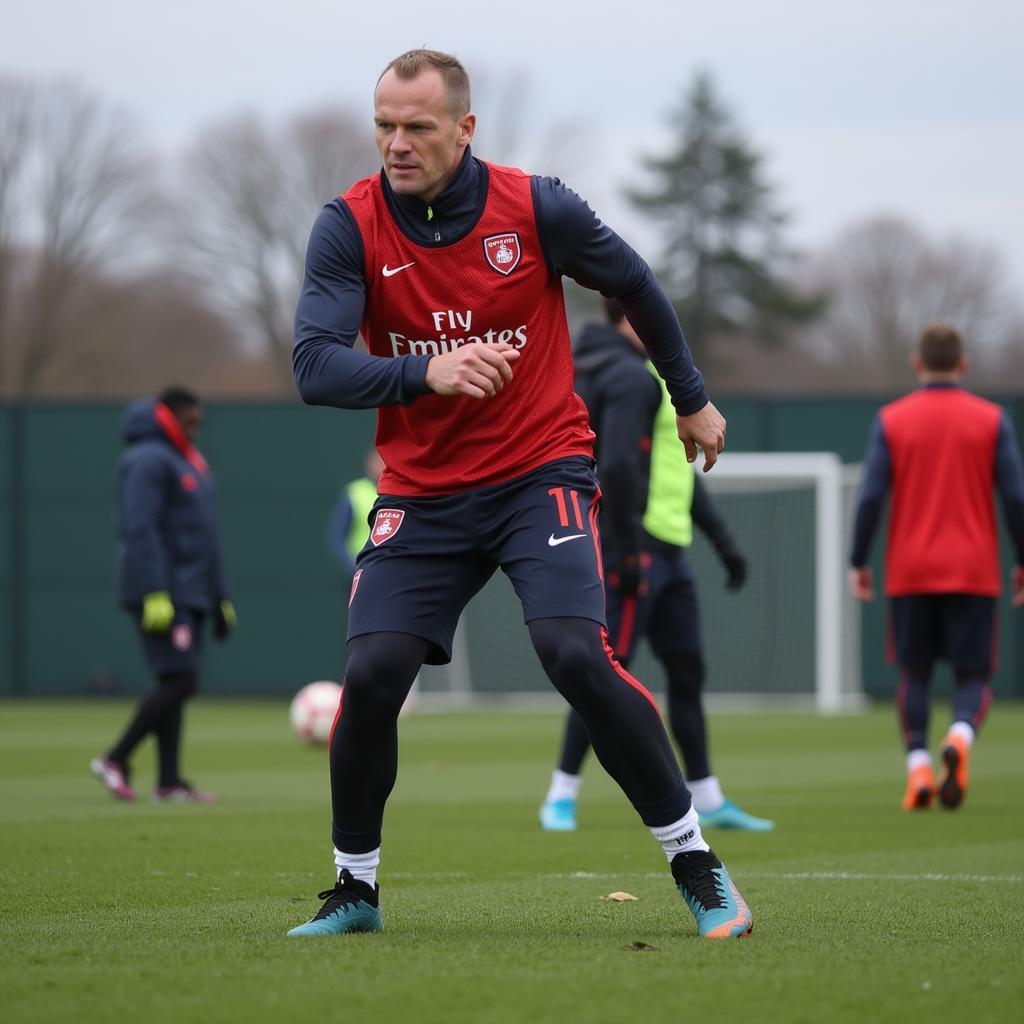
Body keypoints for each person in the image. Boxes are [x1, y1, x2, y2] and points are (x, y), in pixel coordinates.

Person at [288, 48, 751, 941]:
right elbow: (313, 365)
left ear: (465, 129)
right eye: (383, 124)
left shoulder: (538, 206)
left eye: (417, 126)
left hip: (540, 473)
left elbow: (636, 283)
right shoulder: (347, 225)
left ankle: (697, 865)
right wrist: (429, 370)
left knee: (574, 656)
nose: (396, 143)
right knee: (371, 675)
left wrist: (690, 398)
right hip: (422, 493)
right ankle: (354, 890)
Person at [539, 300, 773, 833]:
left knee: (687, 672)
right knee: (603, 671)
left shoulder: (664, 381)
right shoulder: (625, 377)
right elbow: (616, 467)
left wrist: (723, 544)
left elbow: (677, 474)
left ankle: (708, 797)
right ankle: (561, 794)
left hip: (673, 553)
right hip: (635, 549)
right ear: (628, 319)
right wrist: (622, 550)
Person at [849, 323, 1024, 812]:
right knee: (974, 677)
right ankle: (961, 737)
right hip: (973, 570)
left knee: (915, 673)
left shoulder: (892, 419)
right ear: (963, 365)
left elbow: (869, 498)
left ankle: (919, 769)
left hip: (911, 570)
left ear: (916, 362)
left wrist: (858, 560)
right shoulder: (992, 420)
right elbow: (1015, 497)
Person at [90, 387, 236, 804]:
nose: (197, 427)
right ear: (170, 416)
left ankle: (169, 782)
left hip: (190, 591)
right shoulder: (146, 459)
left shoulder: (188, 461)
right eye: (191, 420)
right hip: (162, 590)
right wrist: (156, 591)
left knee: (175, 679)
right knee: (182, 680)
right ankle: (115, 758)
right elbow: (140, 527)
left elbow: (207, 535)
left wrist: (219, 594)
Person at [326, 449, 385, 579]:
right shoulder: (354, 492)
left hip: (389, 572)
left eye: (384, 461)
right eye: (378, 462)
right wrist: (355, 568)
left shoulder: (399, 492)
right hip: (361, 572)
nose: (381, 466)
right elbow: (337, 536)